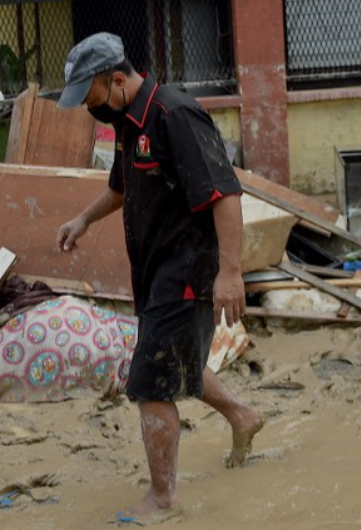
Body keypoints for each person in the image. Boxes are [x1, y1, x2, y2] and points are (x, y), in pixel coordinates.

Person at [54, 33, 263, 523]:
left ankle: (164, 500)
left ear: (118, 80)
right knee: (178, 360)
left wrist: (230, 273)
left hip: (187, 272)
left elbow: (225, 194)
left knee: (150, 382)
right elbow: (121, 187)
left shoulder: (174, 114)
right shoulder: (129, 123)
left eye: (91, 98)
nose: (89, 110)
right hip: (153, 273)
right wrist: (83, 220)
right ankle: (243, 415)